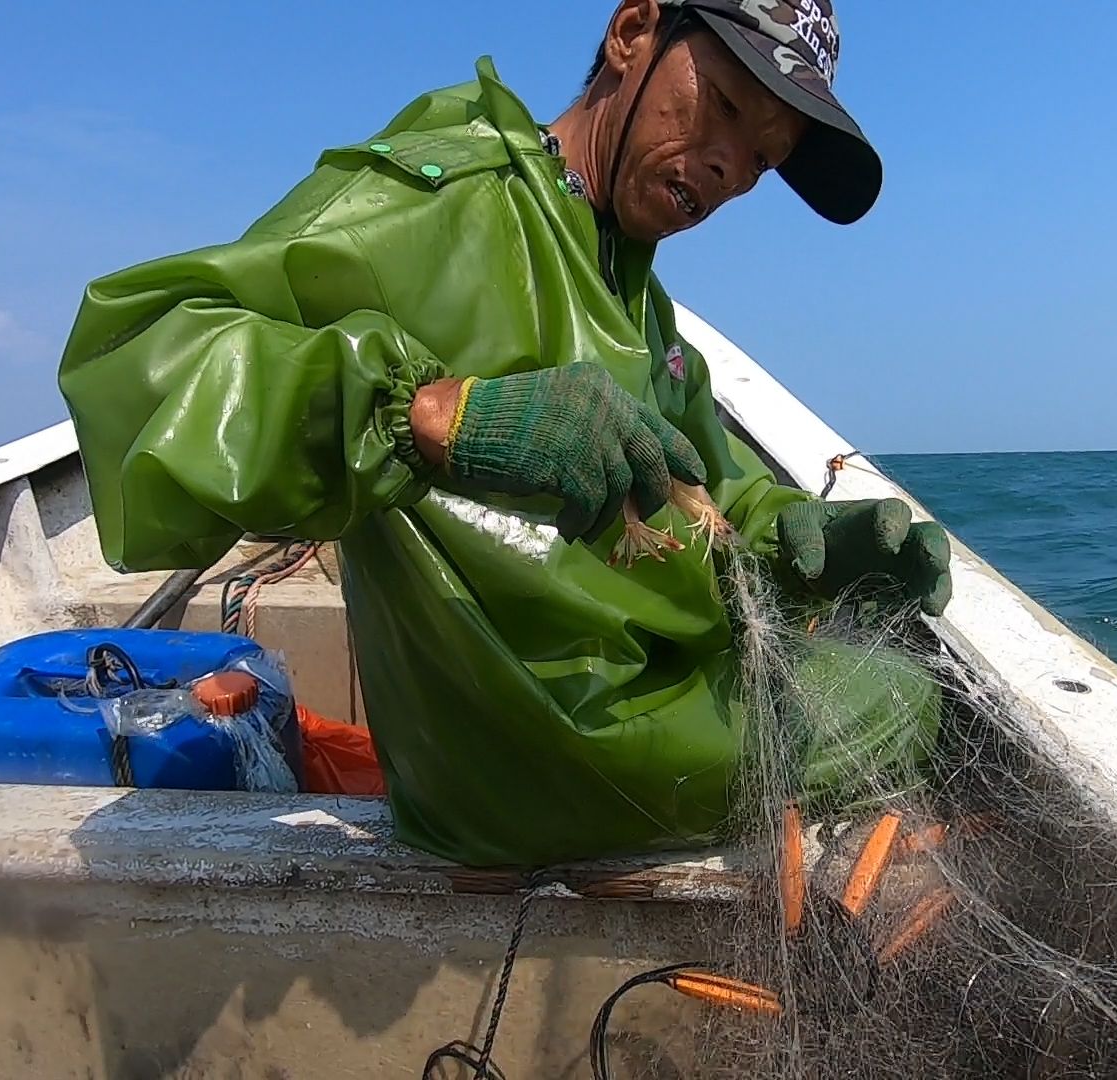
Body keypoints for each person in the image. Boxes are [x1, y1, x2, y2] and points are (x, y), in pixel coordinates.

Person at [57, 0, 952, 867]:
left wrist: (799, 536)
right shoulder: (443, 202)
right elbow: (146, 351)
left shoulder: (640, 304)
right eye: (720, 105)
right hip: (545, 756)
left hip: (621, 713)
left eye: (762, 156)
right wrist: (434, 415)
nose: (728, 168)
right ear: (633, 28)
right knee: (913, 698)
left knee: (860, 650)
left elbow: (713, 488)